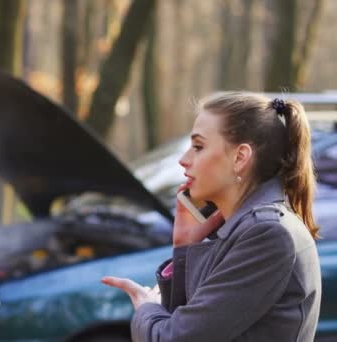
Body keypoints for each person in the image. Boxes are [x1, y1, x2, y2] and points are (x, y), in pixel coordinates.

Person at [102, 92, 322, 341]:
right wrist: (185, 245)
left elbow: (174, 337)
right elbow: (188, 321)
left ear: (240, 157)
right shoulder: (250, 228)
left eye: (198, 147)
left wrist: (145, 308)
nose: (184, 160)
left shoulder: (268, 234)